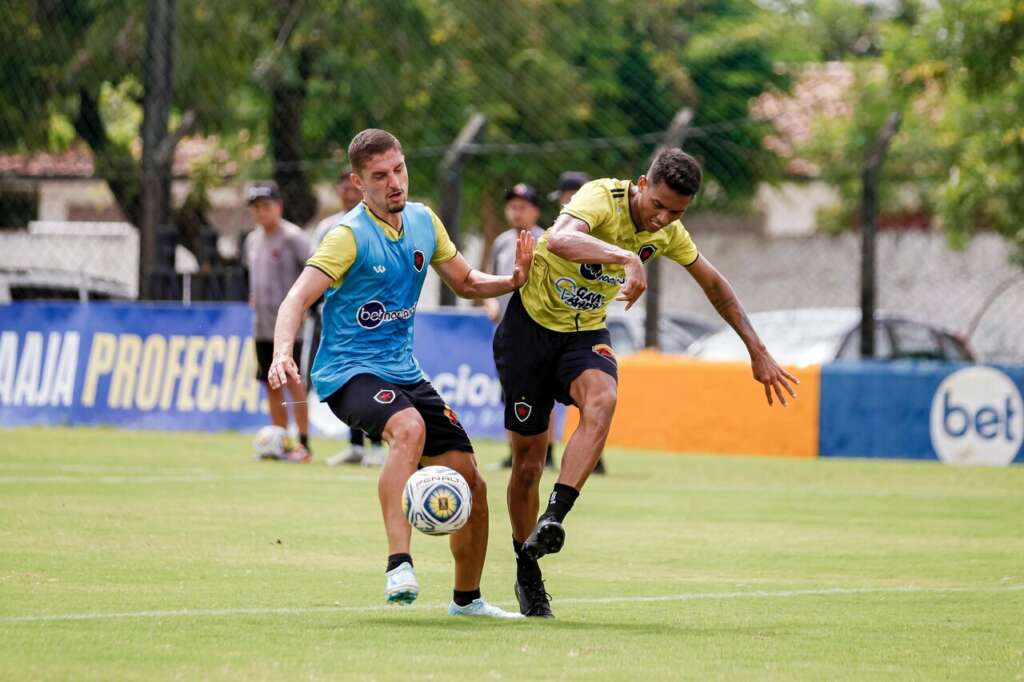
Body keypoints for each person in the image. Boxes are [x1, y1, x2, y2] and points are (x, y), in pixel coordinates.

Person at [494, 149, 798, 618]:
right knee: (528, 464)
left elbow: (715, 285)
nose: (662, 219)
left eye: (676, 212)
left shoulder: (670, 232)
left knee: (604, 398)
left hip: (583, 334)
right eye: (658, 205)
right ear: (641, 183)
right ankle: (525, 566)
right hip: (528, 332)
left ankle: (554, 517)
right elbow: (559, 241)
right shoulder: (601, 196)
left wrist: (756, 349)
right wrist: (626, 258)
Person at [268, 128, 532, 618]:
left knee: (472, 481)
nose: (395, 182)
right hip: (347, 373)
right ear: (358, 182)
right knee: (406, 428)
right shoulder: (347, 236)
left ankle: (468, 601)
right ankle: (398, 564)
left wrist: (511, 281)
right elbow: (296, 298)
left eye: (399, 170)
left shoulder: (423, 222)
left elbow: (468, 281)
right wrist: (284, 350)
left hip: (404, 373)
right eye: (379, 176)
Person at [311, 168, 386, 467]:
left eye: (352, 188)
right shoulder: (328, 228)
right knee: (350, 378)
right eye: (343, 188)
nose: (348, 193)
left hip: (373, 316)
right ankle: (355, 444)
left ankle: (377, 444)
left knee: (376, 377)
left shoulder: (378, 224)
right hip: (339, 319)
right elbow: (315, 270)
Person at [484, 184, 556, 472]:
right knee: (510, 394)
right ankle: (514, 452)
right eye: (512, 206)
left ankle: (546, 453)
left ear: (535, 211)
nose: (516, 212)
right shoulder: (502, 242)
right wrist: (489, 303)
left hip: (538, 330)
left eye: (523, 207)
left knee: (542, 394)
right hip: (506, 332)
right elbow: (488, 277)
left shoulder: (547, 241)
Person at [243, 181, 312, 462]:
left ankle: (304, 442)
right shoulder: (251, 240)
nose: (261, 213)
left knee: (294, 382)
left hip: (290, 329)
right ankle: (280, 440)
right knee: (271, 383)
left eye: (266, 206)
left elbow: (313, 271)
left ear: (278, 206)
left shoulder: (294, 238)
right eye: (256, 208)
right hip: (262, 326)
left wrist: (306, 305)